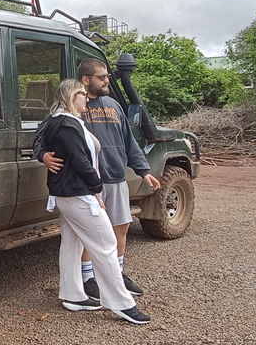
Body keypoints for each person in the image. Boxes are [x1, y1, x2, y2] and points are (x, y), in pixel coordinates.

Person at [33, 58, 161, 300]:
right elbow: (42, 136)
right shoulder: (71, 109)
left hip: (115, 177)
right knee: (91, 234)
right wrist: (43, 156)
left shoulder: (113, 104)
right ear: (85, 80)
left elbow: (128, 141)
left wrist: (144, 171)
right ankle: (89, 278)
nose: (107, 80)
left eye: (107, 76)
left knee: (120, 227)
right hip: (88, 184)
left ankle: (117, 274)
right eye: (101, 77)